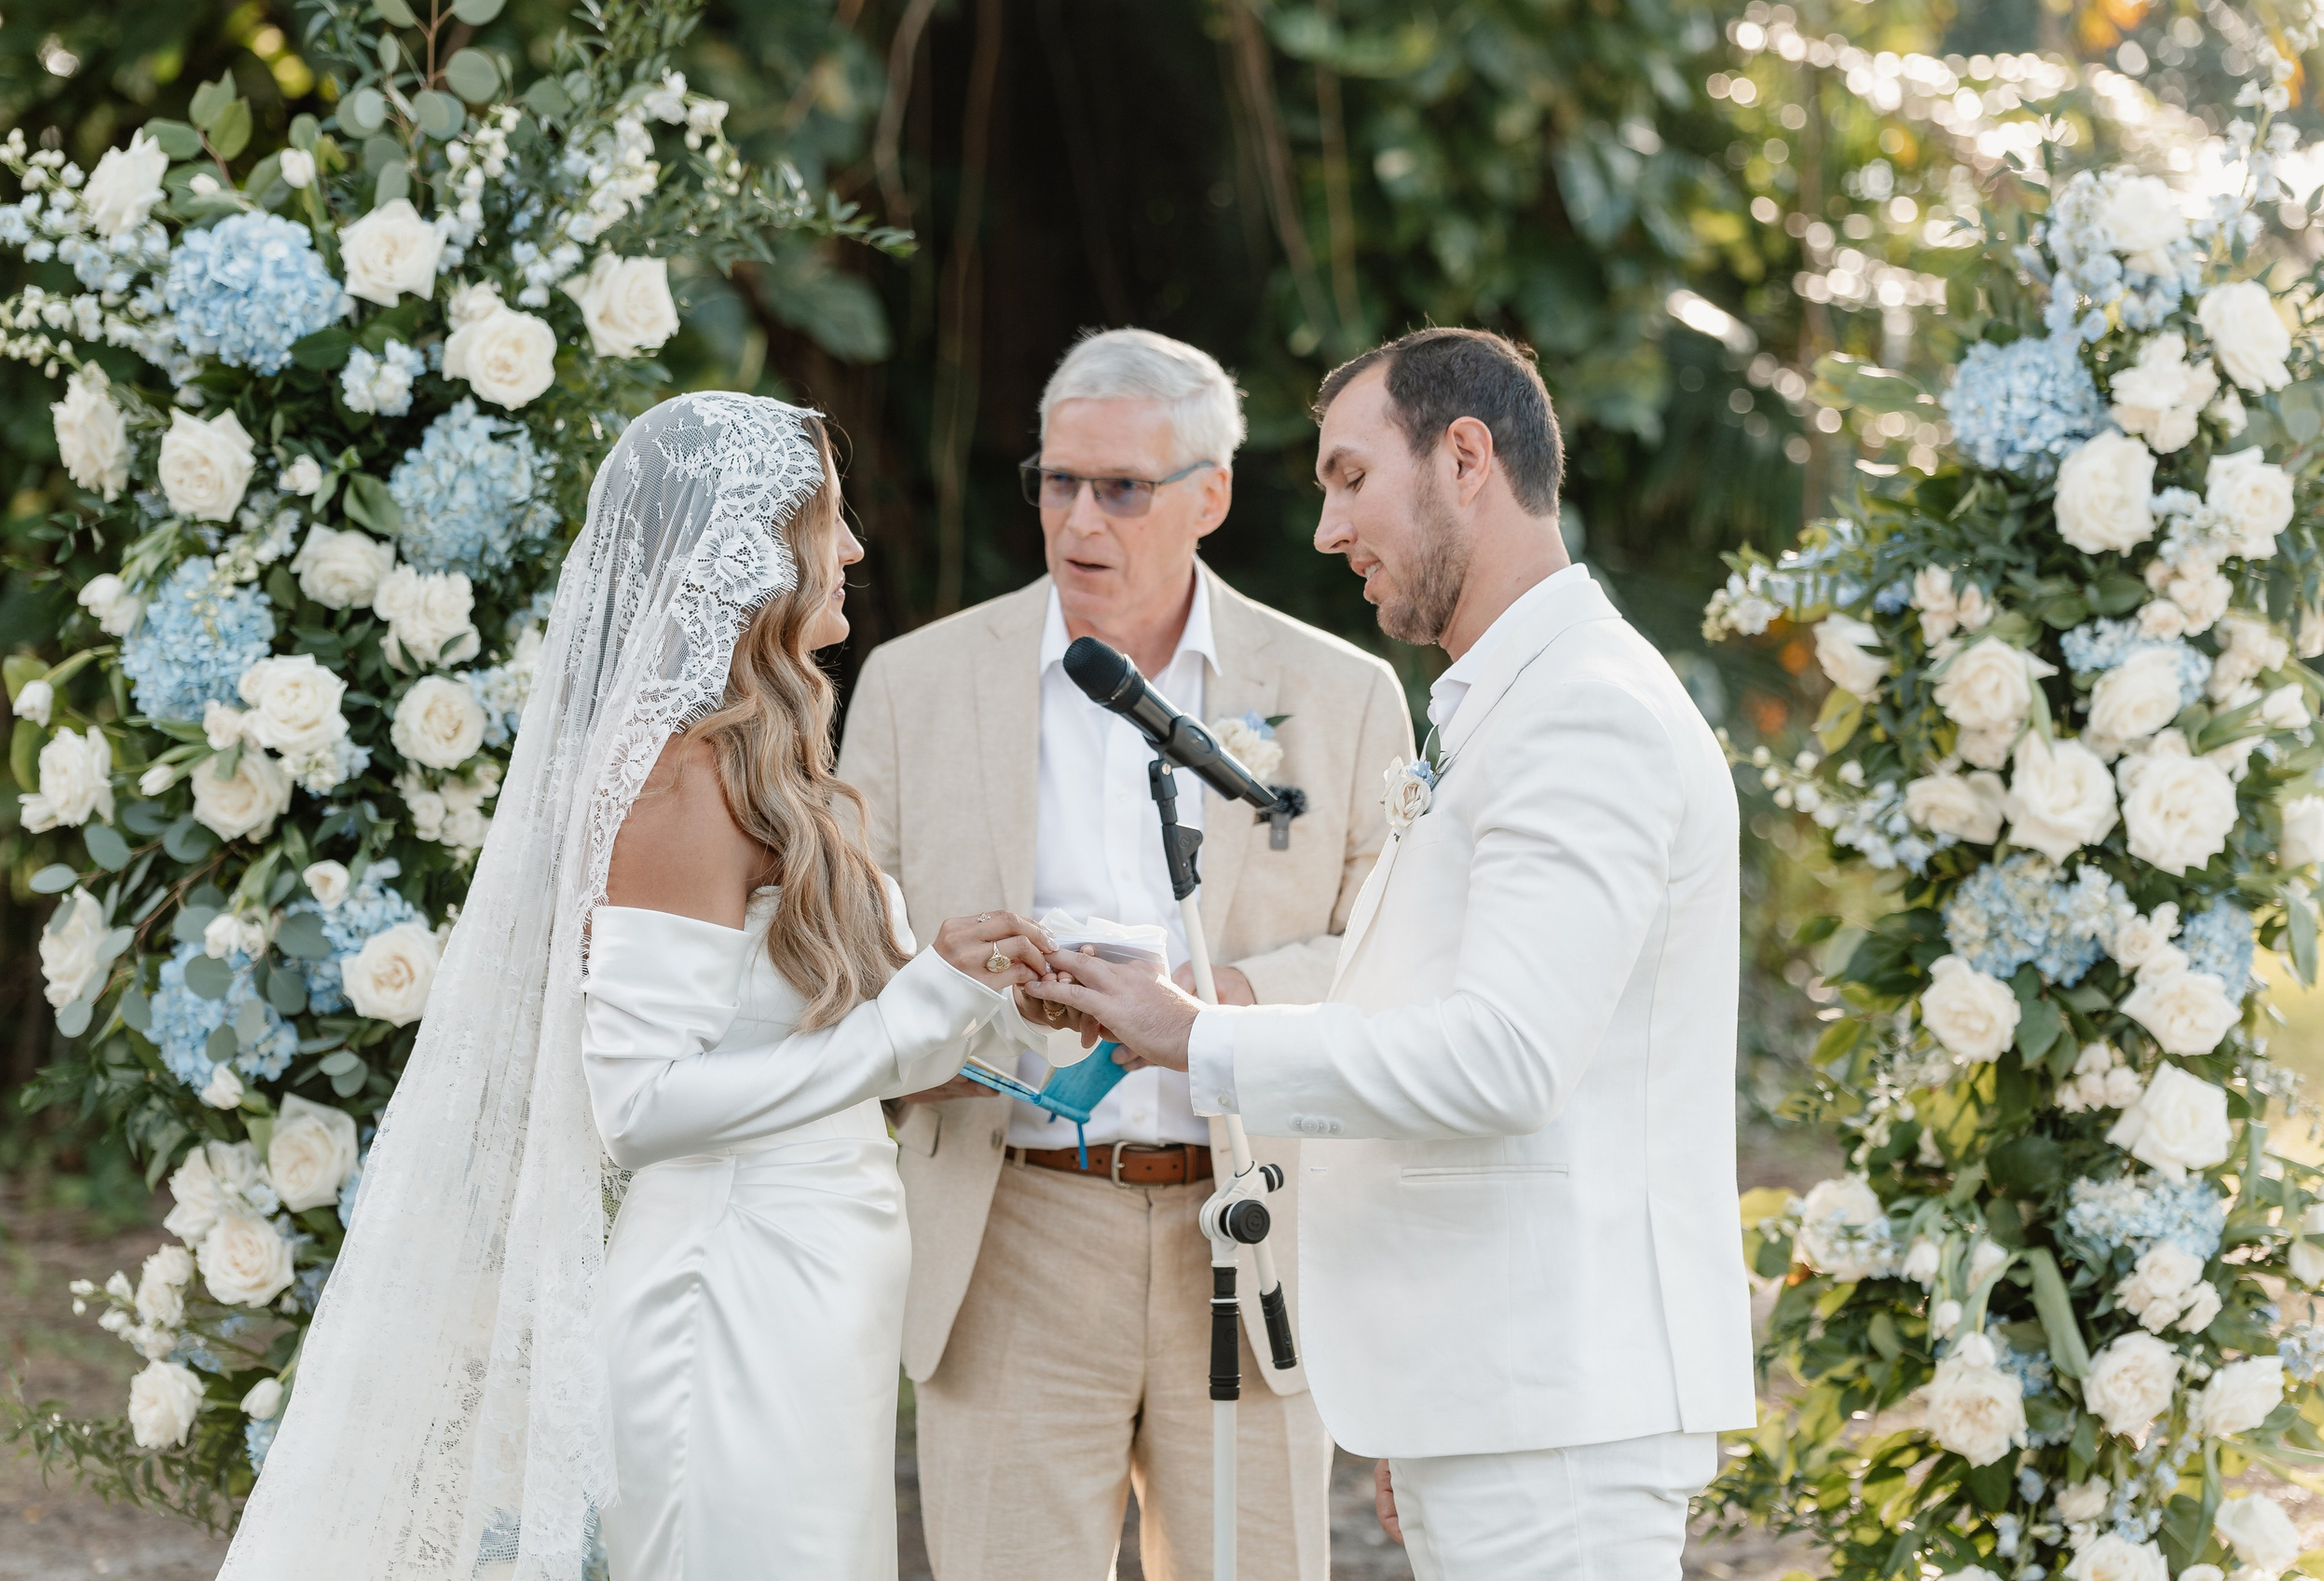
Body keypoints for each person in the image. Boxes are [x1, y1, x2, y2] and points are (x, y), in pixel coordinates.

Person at [217, 392, 1053, 1581]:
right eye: (829, 517)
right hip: (729, 1293)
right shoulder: (676, 782)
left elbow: (860, 1043)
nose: (856, 547)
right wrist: (911, 1012)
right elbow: (640, 1107)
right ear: (745, 548)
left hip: (819, 1281)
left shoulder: (768, 759)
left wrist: (973, 985)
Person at [1021, 328, 1757, 1581]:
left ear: (1466, 457)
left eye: (1351, 478)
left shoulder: (1585, 713)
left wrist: (1195, 1034)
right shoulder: (1512, 702)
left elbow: (1505, 1060)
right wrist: (1421, 1408)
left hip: (1557, 1417)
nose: (1326, 529)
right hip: (1498, 1399)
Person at [840, 328, 1412, 1581]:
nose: (1078, 519)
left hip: (1253, 1222)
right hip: (1014, 1227)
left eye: (1122, 488)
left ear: (1210, 495)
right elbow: (837, 956)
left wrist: (1219, 1005)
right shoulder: (912, 684)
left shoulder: (1343, 692)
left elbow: (1396, 962)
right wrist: (952, 1001)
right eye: (1058, 481)